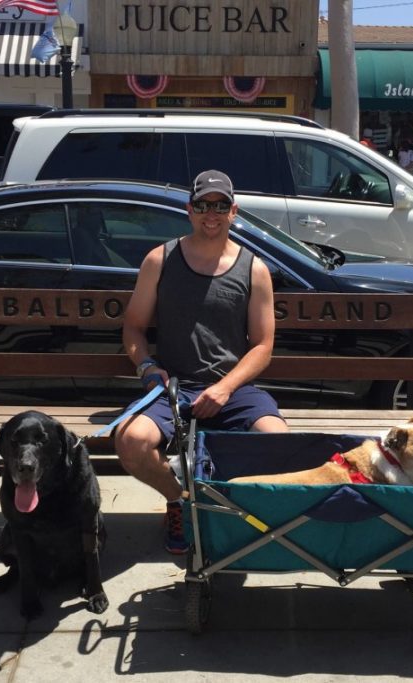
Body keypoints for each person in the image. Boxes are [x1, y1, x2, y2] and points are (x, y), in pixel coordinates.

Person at [115, 169, 289, 554]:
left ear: (234, 211)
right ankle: (181, 501)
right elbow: (133, 327)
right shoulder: (159, 260)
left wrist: (225, 388)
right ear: (189, 210)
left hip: (233, 388)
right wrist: (146, 367)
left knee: (280, 444)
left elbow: (263, 346)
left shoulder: (254, 269)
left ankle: (233, 511)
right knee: (131, 442)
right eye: (203, 205)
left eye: (220, 205)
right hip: (172, 387)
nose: (212, 213)